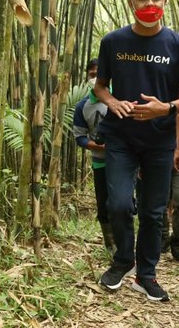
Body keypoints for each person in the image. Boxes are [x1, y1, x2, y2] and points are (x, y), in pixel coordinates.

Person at [94, 0, 179, 302]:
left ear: (165, 1)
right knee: (120, 203)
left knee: (155, 212)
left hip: (159, 139)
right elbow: (100, 87)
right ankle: (123, 260)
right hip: (121, 137)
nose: (150, 3)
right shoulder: (113, 41)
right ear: (132, 2)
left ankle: (147, 274)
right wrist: (112, 101)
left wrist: (166, 108)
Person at [73, 59, 114, 254]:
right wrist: (97, 145)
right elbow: (79, 137)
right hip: (100, 162)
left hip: (124, 161)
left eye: (99, 74)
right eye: (91, 74)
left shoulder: (119, 98)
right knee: (104, 204)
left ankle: (124, 241)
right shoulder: (83, 106)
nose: (95, 78)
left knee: (124, 203)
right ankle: (110, 243)